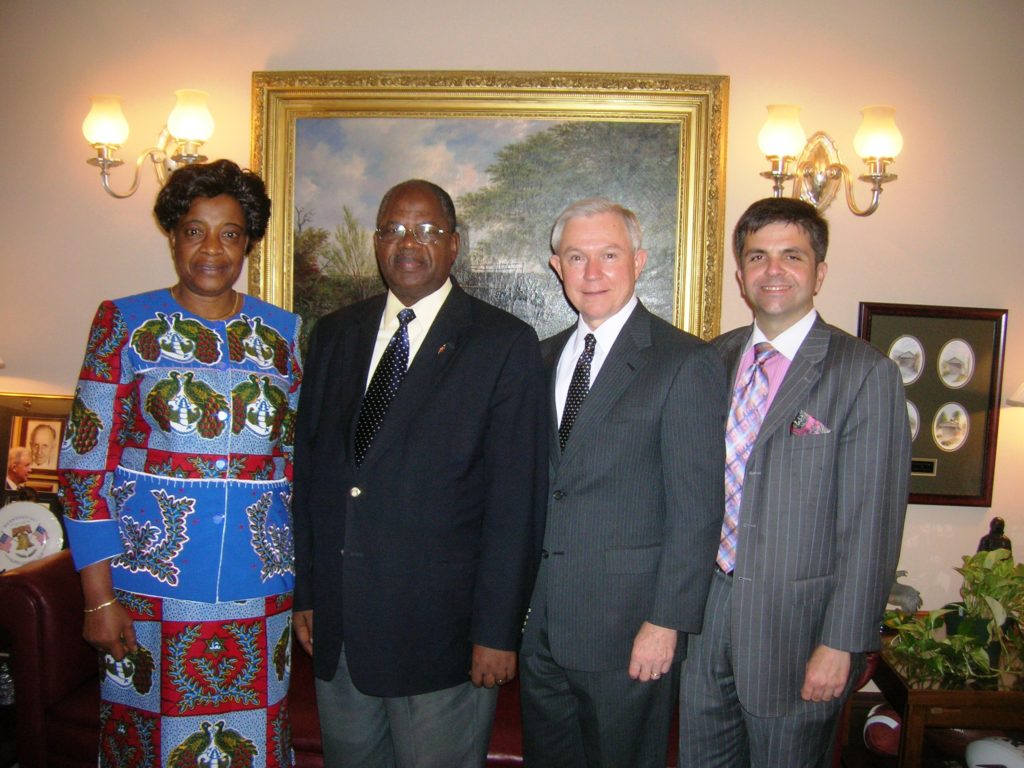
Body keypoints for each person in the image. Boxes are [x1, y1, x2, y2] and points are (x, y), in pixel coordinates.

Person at [292, 178, 547, 767]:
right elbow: (310, 476)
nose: (409, 243)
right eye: (394, 229)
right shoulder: (334, 335)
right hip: (341, 632)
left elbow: (517, 504)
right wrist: (308, 592)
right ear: (376, 242)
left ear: (454, 245)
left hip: (443, 639)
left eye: (428, 230)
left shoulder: (502, 343)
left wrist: (497, 631)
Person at [57, 159, 302, 767]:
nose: (211, 249)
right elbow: (84, 467)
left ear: (249, 241)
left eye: (230, 233)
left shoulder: (286, 335)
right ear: (172, 235)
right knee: (153, 749)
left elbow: (293, 462)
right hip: (148, 591)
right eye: (194, 230)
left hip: (259, 590)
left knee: (253, 746)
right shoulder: (124, 322)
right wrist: (98, 598)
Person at [678, 197, 911, 767]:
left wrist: (842, 642)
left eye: (792, 256)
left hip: (799, 634)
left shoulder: (864, 373)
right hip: (704, 621)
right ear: (740, 274)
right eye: (758, 256)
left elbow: (872, 526)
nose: (773, 270)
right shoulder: (711, 360)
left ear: (819, 272)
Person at [519, 198, 726, 767]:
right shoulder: (539, 360)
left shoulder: (684, 362)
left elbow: (698, 510)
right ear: (556, 267)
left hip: (630, 630)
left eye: (608, 255)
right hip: (540, 630)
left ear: (639, 261)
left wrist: (667, 623)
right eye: (576, 257)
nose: (592, 273)